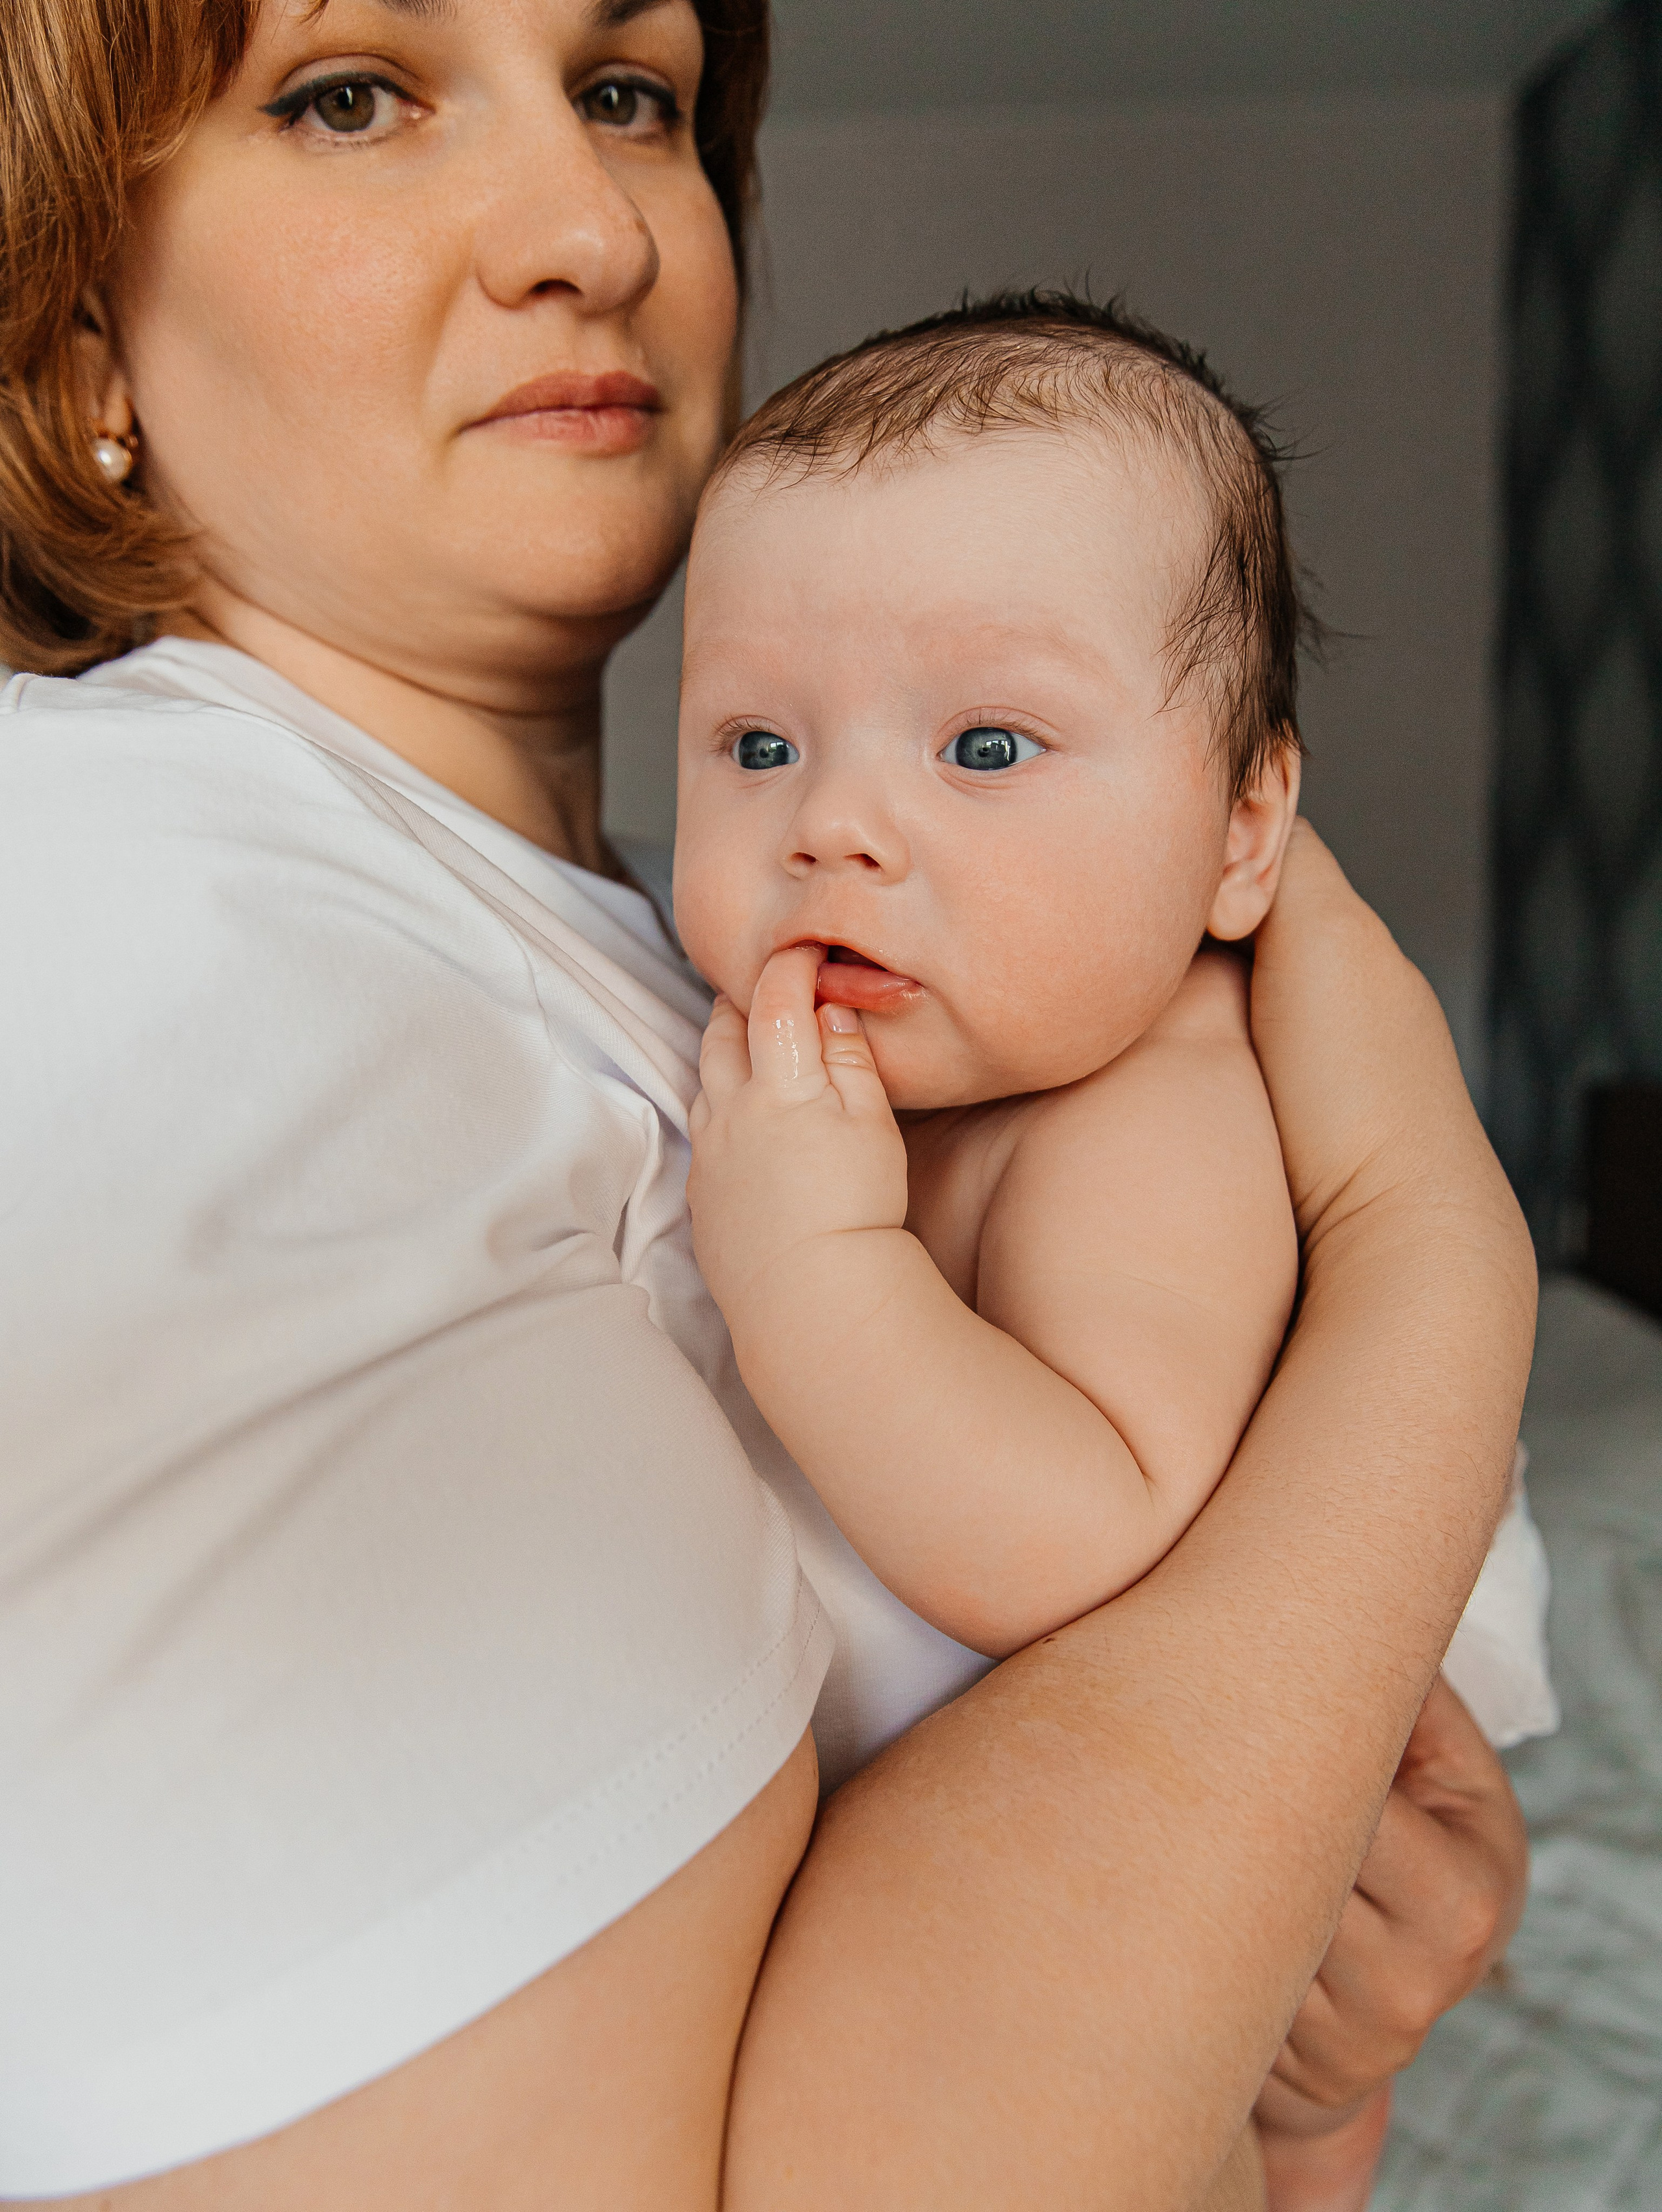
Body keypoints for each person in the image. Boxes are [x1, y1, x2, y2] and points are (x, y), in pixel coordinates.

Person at [0, 1, 1533, 2207]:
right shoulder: (137, 925)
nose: (591, 227)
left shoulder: (709, 965)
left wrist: (1281, 1954)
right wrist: (1436, 1261)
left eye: (631, 91)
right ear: (79, 354)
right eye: (351, 94)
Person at [676, 288, 1557, 1774]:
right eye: (760, 745)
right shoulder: (848, 1041)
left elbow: (1075, 1543)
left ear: (1238, 835)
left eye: (986, 746)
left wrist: (805, 1269)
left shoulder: (1155, 1108)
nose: (828, 825)